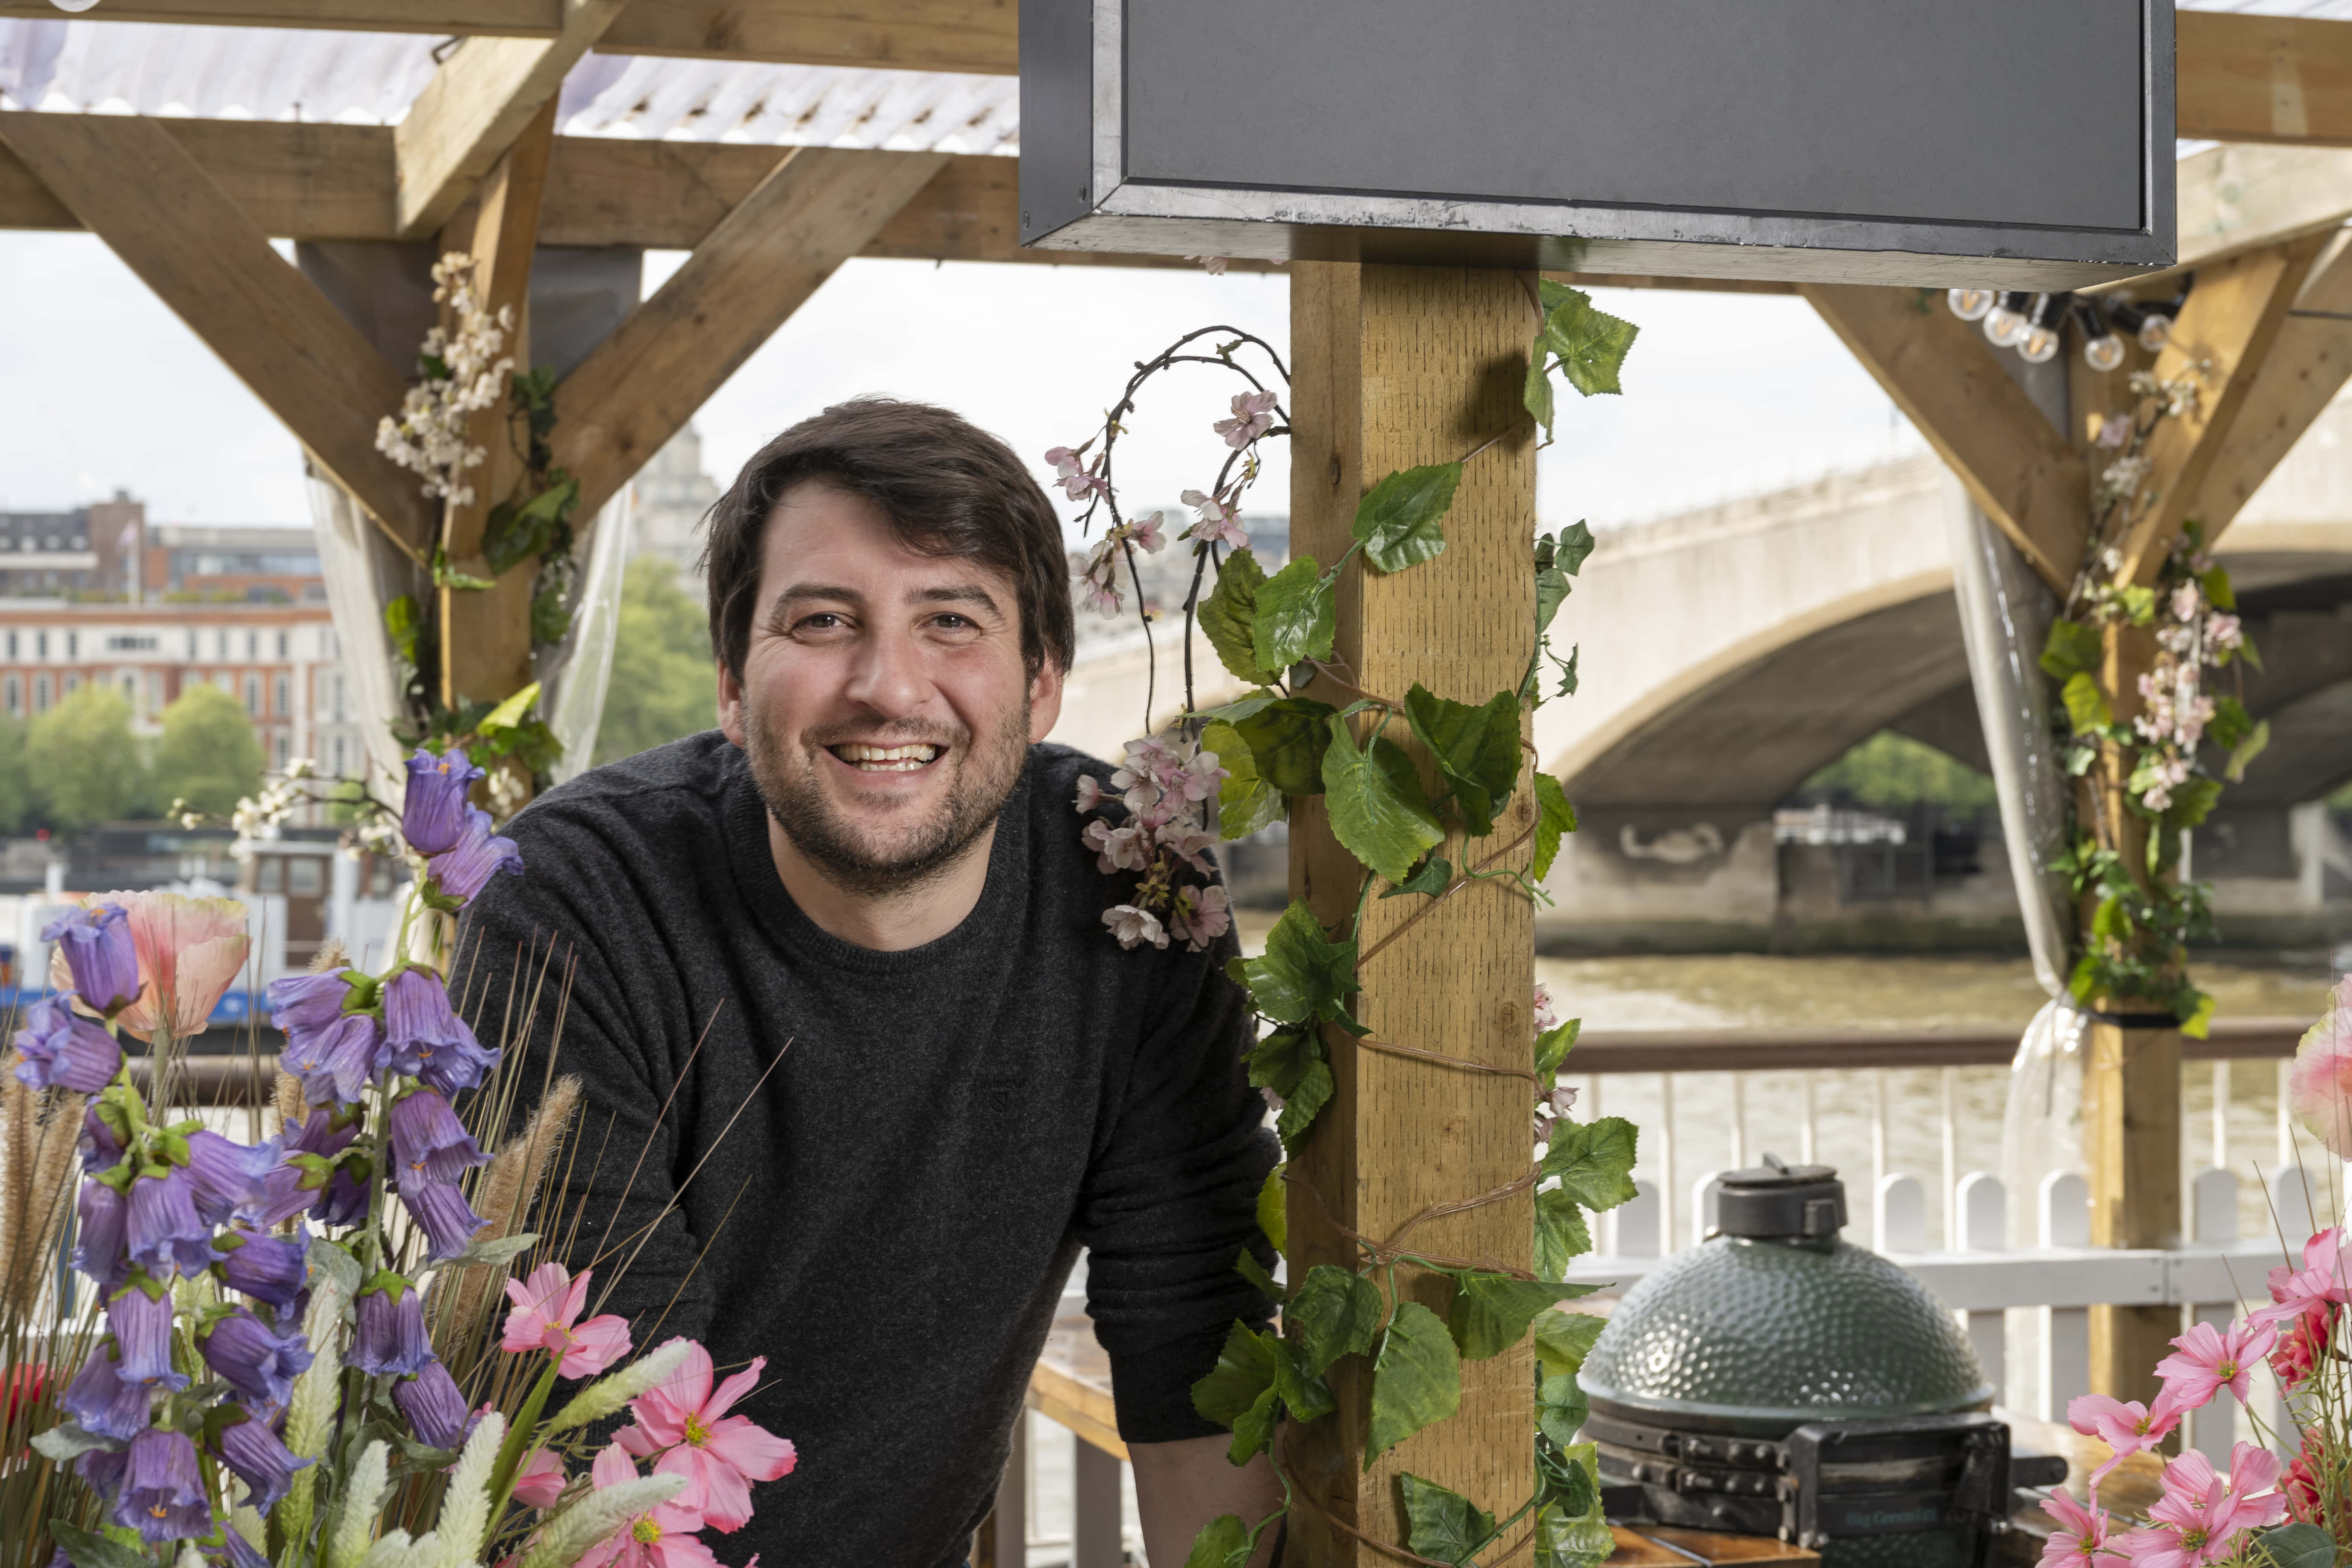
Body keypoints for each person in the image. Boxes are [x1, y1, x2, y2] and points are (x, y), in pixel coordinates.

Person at [462, 398, 1283, 1567]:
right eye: (822, 619)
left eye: (951, 620)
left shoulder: (1135, 881)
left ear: (1043, 684)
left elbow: (1194, 1333)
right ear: (733, 687)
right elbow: (619, 1420)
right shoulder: (577, 902)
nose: (888, 686)